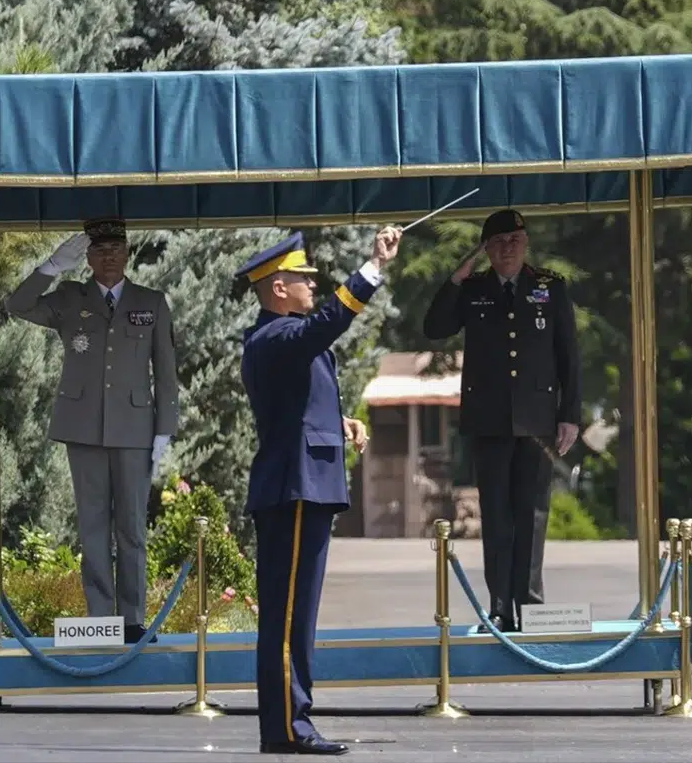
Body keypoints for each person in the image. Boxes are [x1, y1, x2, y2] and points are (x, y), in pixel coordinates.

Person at [237, 226, 401, 756]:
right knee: (288, 617)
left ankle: (291, 721)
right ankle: (288, 726)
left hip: (304, 485)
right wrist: (373, 267)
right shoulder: (277, 337)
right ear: (278, 288)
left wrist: (340, 419)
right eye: (304, 278)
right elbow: (332, 321)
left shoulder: (283, 340)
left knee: (297, 614)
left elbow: (296, 406)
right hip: (295, 488)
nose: (313, 285)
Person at [5, 216, 179, 644]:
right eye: (100, 251)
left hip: (136, 429)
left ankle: (133, 619)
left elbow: (167, 369)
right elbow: (17, 305)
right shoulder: (69, 297)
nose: (109, 258)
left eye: (116, 250)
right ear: (87, 257)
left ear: (127, 253)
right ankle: (102, 619)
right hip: (83, 428)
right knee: (94, 526)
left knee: (133, 528)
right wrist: (50, 267)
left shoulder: (150, 301)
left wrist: (165, 429)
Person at [422, 208, 581, 633]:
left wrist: (571, 416)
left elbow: (569, 356)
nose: (507, 249)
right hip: (489, 419)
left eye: (514, 240)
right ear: (486, 249)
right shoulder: (474, 290)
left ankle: (530, 606)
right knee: (496, 516)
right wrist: (460, 274)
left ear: (525, 242)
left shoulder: (549, 287)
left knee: (532, 515)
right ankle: (500, 608)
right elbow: (434, 326)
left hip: (537, 421)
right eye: (497, 243)